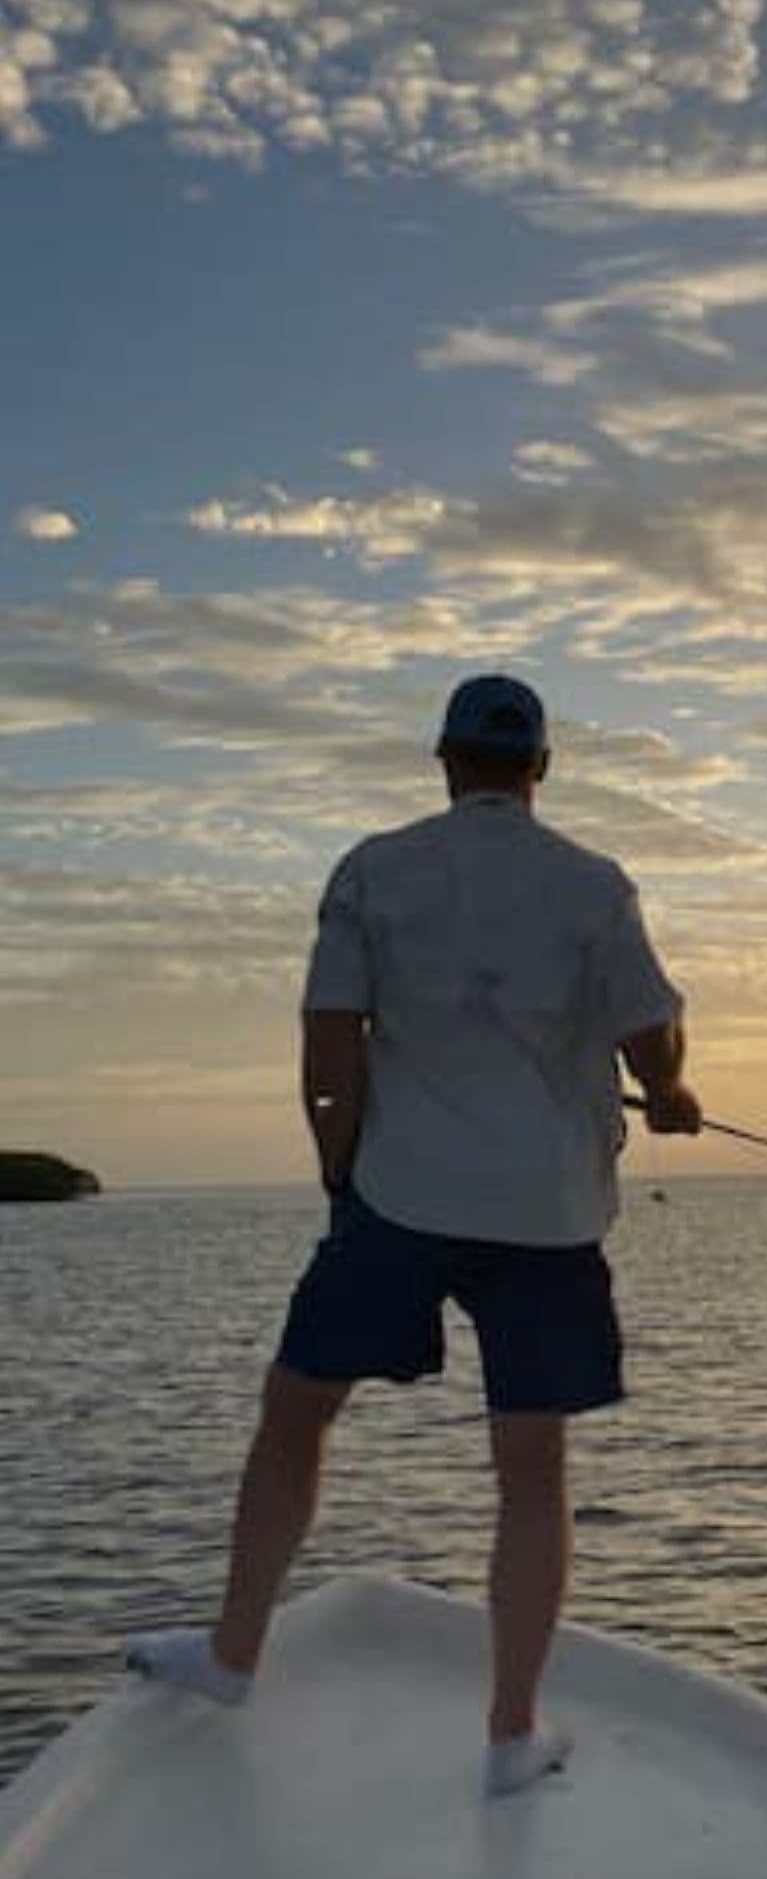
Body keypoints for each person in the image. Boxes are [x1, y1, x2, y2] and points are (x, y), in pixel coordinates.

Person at [126, 673, 701, 1793]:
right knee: (531, 1470)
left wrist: (339, 1169)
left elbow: (329, 1036)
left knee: (296, 1414)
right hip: (549, 1215)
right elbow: (650, 1039)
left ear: (444, 761)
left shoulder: (374, 869)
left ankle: (235, 1654)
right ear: (539, 769)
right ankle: (509, 1732)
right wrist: (676, 1088)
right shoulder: (594, 885)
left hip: (396, 1200)